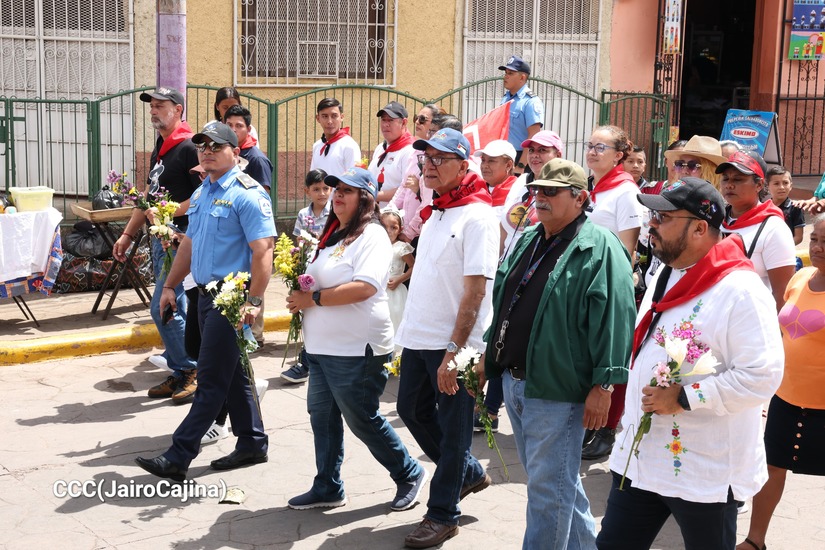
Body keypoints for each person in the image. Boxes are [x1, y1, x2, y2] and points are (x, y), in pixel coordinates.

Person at [598, 178, 784, 550]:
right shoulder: (665, 273)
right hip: (642, 459)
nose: (651, 224)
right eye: (652, 215)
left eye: (664, 217)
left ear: (700, 227)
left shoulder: (741, 290)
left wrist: (684, 398)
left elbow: (762, 375)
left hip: (703, 470)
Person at [479, 158, 636, 549]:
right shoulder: (532, 238)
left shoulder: (600, 246)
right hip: (517, 382)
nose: (540, 197)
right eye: (536, 190)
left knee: (549, 493)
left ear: (580, 197)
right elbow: (505, 304)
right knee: (558, 483)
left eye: (551, 191)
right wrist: (488, 358)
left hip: (558, 389)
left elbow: (616, 315)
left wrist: (605, 385)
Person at [134, 122, 275, 480]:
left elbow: (263, 251)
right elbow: (190, 245)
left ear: (235, 152)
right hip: (205, 294)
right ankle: (252, 444)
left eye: (216, 146)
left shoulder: (249, 193)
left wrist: (254, 301)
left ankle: (179, 455)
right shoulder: (202, 193)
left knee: (211, 378)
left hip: (233, 297)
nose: (207, 151)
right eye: (202, 147)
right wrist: (169, 285)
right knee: (234, 376)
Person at [284, 167, 428, 512]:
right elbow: (320, 278)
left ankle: (408, 472)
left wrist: (314, 300)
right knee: (322, 416)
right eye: (335, 190)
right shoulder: (334, 234)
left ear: (365, 198)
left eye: (346, 191)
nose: (337, 196)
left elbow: (365, 287)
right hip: (321, 348)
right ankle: (328, 486)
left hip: (356, 349)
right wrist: (301, 287)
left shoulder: (373, 236)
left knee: (362, 417)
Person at [395, 128, 498, 549]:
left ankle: (442, 514)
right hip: (421, 335)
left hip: (457, 344)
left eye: (440, 158)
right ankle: (468, 473)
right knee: (411, 410)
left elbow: (475, 291)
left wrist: (456, 350)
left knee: (454, 430)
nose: (429, 166)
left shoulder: (478, 216)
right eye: (426, 158)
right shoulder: (437, 209)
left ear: (463, 164)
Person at [735, 214, 825, 550]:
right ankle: (755, 540)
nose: (816, 247)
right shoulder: (800, 277)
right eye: (814, 239)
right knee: (772, 467)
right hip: (787, 398)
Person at [113, 86, 199, 403]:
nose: (153, 110)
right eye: (151, 106)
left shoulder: (191, 148)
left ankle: (192, 369)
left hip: (182, 240)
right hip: (160, 241)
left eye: (160, 105)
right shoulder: (161, 148)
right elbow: (147, 198)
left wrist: (169, 212)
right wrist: (127, 234)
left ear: (178, 110)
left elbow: (205, 195)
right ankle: (182, 370)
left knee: (162, 307)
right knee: (175, 308)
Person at [581, 125, 643, 461]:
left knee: (612, 359)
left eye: (600, 147)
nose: (592, 152)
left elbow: (627, 248)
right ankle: (591, 425)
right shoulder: (597, 189)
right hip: (587, 283)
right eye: (590, 145)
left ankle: (607, 428)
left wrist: (613, 289)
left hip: (611, 284)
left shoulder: (625, 191)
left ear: (619, 155)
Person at [717, 151, 796, 310]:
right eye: (725, 178)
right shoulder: (715, 220)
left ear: (759, 185)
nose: (729, 185)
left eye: (738, 179)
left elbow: (783, 294)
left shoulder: (773, 229)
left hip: (752, 322)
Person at [281, 169, 331, 385]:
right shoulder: (304, 214)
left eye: (326, 188)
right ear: (307, 191)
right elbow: (298, 242)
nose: (322, 193)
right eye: (316, 189)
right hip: (307, 269)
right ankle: (308, 360)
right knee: (307, 315)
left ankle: (308, 362)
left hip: (328, 269)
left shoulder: (335, 212)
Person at [500, 130, 564, 260]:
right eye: (531, 150)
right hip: (507, 269)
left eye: (542, 150)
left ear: (557, 155)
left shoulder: (563, 191)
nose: (535, 155)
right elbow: (503, 229)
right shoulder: (520, 181)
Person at [390, 104, 442, 242]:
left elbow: (428, 201)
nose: (417, 122)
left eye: (423, 119)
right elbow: (403, 187)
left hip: (421, 232)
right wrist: (388, 212)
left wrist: (408, 233)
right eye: (416, 118)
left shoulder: (439, 158)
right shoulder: (415, 152)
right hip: (406, 228)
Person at [499, 55, 544, 171]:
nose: (506, 76)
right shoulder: (506, 98)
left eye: (510, 73)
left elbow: (533, 136)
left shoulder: (531, 101)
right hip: (504, 154)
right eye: (506, 73)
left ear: (522, 77)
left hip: (521, 158)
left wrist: (521, 166)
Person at [380, 204, 414, 352]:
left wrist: (400, 279)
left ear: (400, 229)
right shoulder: (375, 245)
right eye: (384, 227)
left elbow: (415, 267)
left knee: (396, 320)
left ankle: (397, 355)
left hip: (395, 292)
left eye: (393, 227)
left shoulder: (401, 247)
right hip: (380, 290)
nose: (388, 231)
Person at [368, 101, 415, 207]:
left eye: (390, 120)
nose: (386, 124)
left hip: (394, 216)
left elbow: (406, 189)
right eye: (383, 120)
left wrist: (374, 195)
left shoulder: (409, 151)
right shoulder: (380, 148)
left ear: (404, 122)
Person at [223, 105, 272, 192]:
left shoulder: (257, 159)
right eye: (229, 125)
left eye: (239, 126)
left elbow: (263, 195)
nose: (233, 130)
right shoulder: (222, 153)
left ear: (248, 129)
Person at [310, 97, 362, 177]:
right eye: (325, 116)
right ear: (318, 118)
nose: (329, 121)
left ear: (341, 117)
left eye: (334, 116)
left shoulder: (349, 146)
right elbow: (313, 179)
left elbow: (353, 180)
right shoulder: (317, 146)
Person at [473, 139, 518, 217]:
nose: (484, 166)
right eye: (483, 160)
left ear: (508, 165)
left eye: (491, 161)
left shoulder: (518, 192)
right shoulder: (475, 189)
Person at [766, 165, 805, 245]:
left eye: (785, 183)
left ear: (790, 186)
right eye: (776, 184)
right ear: (767, 187)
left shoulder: (795, 208)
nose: (781, 187)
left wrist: (783, 248)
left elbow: (798, 237)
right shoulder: (763, 207)